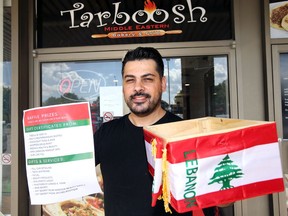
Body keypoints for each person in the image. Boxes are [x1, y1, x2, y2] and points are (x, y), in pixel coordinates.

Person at [94, 47, 227, 216]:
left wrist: (224, 194)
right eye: (130, 80)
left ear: (163, 84)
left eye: (147, 79)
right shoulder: (106, 133)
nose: (138, 88)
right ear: (123, 87)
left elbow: (211, 195)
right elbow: (71, 171)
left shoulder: (187, 134)